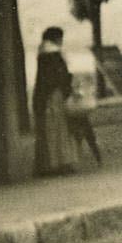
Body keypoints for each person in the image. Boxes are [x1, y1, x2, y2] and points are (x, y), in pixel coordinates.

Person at [32, 26, 76, 176]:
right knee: (58, 130)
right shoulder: (53, 55)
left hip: (45, 96)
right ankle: (59, 164)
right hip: (54, 96)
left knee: (49, 131)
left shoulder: (43, 54)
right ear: (56, 38)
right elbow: (59, 77)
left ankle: (49, 164)